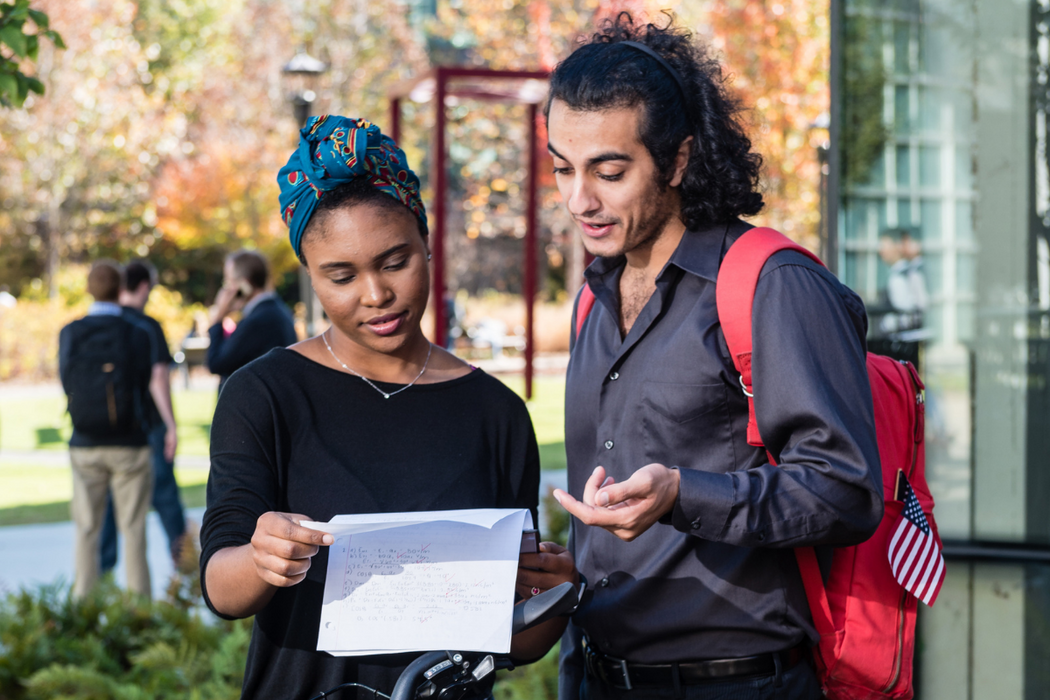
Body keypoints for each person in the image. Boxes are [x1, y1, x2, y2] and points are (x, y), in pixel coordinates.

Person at [545, 15, 883, 700]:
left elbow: (846, 491)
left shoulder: (770, 284)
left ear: (677, 159)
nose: (580, 199)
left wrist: (684, 494)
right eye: (562, 168)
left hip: (735, 684)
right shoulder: (593, 298)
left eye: (610, 171)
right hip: (599, 676)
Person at [199, 115, 577, 699]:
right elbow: (223, 590)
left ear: (426, 244)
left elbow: (511, 643)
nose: (375, 295)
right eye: (342, 276)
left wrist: (553, 596)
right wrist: (260, 557)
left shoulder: (496, 413)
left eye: (395, 261)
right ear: (310, 276)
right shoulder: (264, 394)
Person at [59, 260, 154, 599]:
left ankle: (82, 607)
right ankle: (139, 613)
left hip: (84, 443)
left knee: (86, 529)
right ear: (121, 290)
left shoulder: (70, 332)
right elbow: (144, 384)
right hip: (130, 443)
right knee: (133, 530)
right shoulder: (137, 334)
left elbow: (64, 380)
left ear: (88, 289)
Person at [98, 260, 187, 573]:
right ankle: (187, 569)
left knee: (108, 505)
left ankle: (103, 575)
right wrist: (171, 426)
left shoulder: (103, 323)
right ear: (144, 287)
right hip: (147, 426)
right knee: (165, 499)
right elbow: (158, 378)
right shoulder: (147, 326)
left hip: (108, 430)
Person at [205, 249, 297, 393]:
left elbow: (216, 363)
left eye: (229, 281)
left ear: (244, 285)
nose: (226, 289)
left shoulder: (257, 321)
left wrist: (218, 318)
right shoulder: (276, 310)